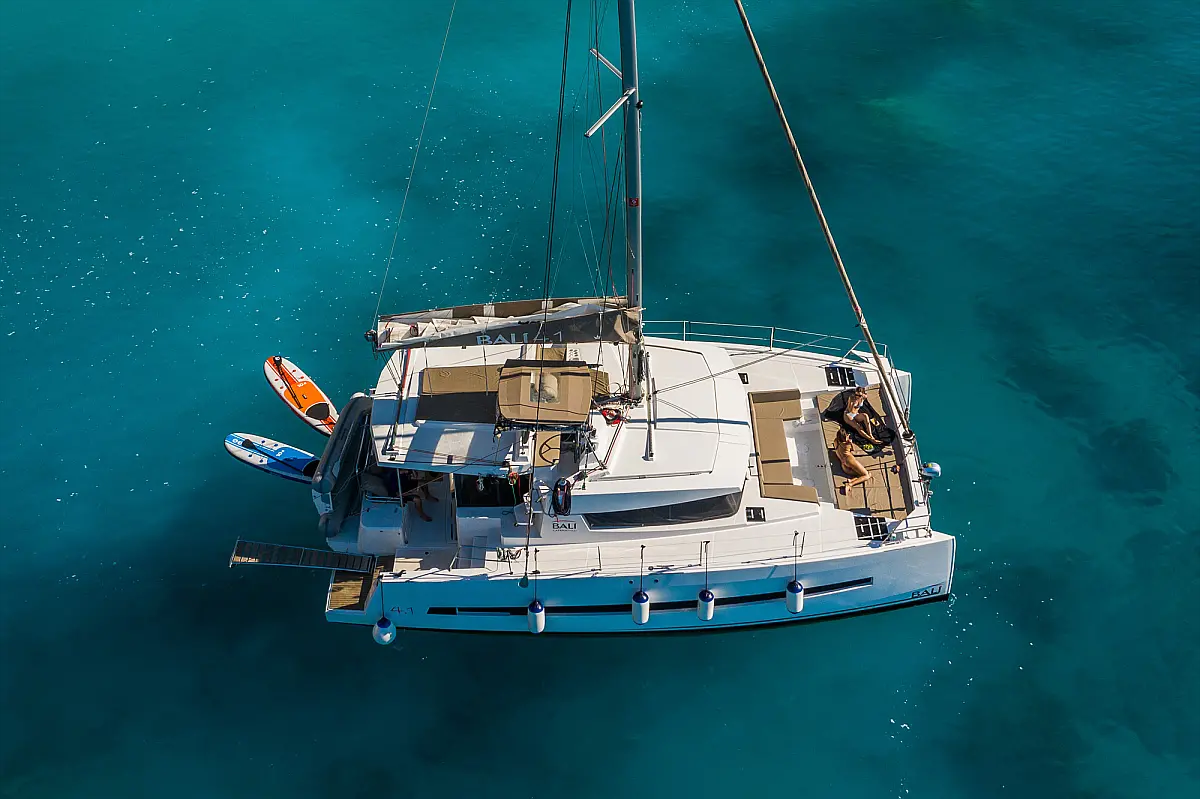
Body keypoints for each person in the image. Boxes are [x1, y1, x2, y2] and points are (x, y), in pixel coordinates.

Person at [833, 428, 872, 494]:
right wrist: (850, 442)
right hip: (849, 461)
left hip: (844, 467)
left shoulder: (835, 441)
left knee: (860, 474)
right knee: (867, 475)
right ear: (845, 436)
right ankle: (850, 484)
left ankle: (851, 480)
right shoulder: (847, 444)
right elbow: (852, 449)